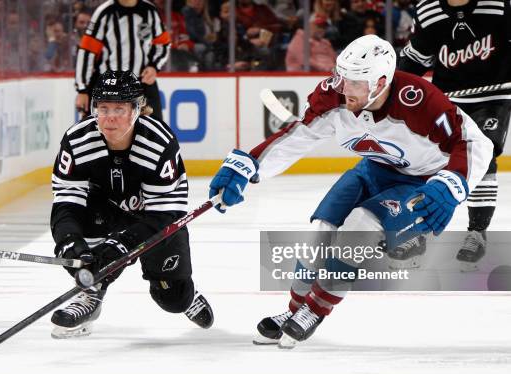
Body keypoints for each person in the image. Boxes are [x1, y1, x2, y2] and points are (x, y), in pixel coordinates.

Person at [209, 35, 493, 348]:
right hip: (373, 169)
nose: (344, 88)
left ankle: (316, 310)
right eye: (342, 77)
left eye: (356, 82)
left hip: (420, 183)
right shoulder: (334, 95)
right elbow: (298, 135)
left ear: (381, 82)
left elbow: (475, 142)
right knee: (322, 230)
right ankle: (293, 311)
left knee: (360, 226)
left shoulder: (420, 100)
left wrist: (453, 184)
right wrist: (249, 168)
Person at [50, 70, 213, 339]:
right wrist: (69, 241)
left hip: (153, 219)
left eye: (119, 108)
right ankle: (91, 289)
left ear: (137, 109)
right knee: (87, 242)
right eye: (103, 108)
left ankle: (187, 294)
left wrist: (121, 245)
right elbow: (67, 201)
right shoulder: (77, 140)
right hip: (105, 213)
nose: (109, 116)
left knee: (173, 300)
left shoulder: (159, 142)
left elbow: (165, 214)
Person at [398, 0, 511, 271]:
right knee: (432, 162)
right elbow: (415, 58)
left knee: (481, 156)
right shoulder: (428, 9)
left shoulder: (499, 4)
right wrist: (394, 88)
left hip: (493, 95)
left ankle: (477, 233)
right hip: (448, 99)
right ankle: (422, 230)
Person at [74, 0, 170, 120]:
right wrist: (82, 89)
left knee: (154, 132)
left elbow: (163, 43)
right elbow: (87, 51)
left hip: (142, 84)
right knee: (100, 134)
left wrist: (154, 66)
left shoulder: (149, 11)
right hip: (109, 85)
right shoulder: (104, 13)